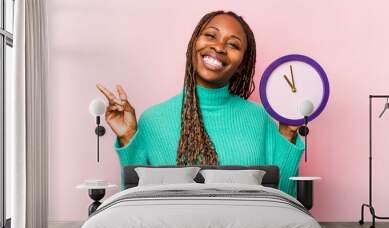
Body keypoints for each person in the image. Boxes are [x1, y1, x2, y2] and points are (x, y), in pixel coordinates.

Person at [96, 10, 304, 197]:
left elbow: (282, 199)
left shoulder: (260, 118)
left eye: (233, 45)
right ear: (194, 44)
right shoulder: (152, 121)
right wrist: (128, 137)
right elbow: (134, 202)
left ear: (242, 65)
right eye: (210, 35)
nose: (219, 47)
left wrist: (287, 135)